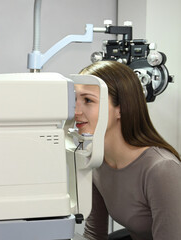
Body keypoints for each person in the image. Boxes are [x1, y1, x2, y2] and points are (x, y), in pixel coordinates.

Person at [74, 60, 181, 240]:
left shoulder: (162, 169)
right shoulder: (97, 160)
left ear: (121, 108)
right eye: (74, 99)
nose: (76, 111)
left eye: (87, 100)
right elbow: (94, 235)